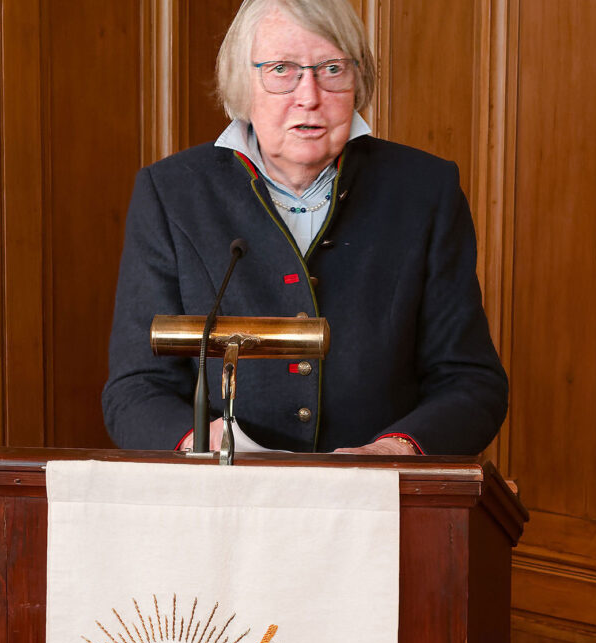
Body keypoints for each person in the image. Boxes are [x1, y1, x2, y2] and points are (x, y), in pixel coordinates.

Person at [102, 0, 507, 456]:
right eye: (281, 69)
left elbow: (470, 380)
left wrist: (394, 451)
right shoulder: (171, 192)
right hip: (222, 498)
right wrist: (205, 444)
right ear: (243, 81)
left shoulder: (424, 191)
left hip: (378, 501)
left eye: (332, 69)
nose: (309, 96)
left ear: (358, 80)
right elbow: (135, 389)